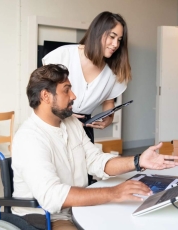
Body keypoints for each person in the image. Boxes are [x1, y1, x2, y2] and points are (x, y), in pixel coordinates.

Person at [11, 64, 178, 230]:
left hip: (79, 208)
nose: (74, 96)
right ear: (46, 96)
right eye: (66, 90)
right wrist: (113, 193)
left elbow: (96, 161)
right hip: (49, 218)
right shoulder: (29, 138)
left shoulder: (71, 123)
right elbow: (52, 196)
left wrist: (138, 161)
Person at [42, 11, 131, 143]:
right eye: (112, 37)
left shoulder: (113, 71)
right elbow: (42, 93)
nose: (115, 44)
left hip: (84, 128)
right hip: (55, 123)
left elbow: (109, 102)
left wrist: (109, 118)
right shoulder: (63, 55)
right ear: (98, 32)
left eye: (119, 40)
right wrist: (64, 113)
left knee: (85, 163)